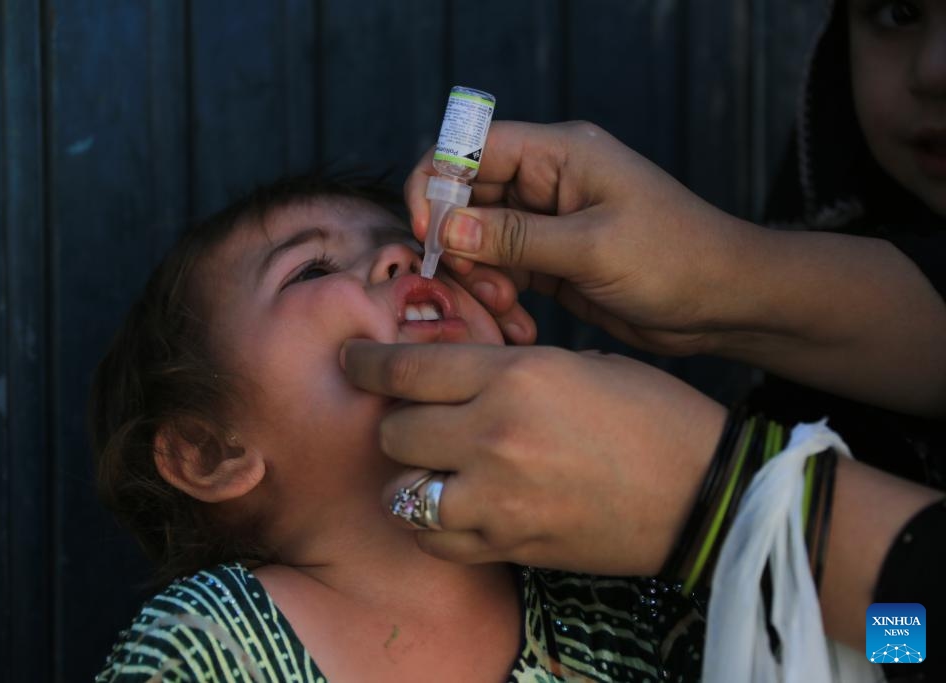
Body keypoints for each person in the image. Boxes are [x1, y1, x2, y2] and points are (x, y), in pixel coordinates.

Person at [341, 0, 945, 678]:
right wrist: (728, 283)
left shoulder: (643, 600)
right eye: (895, 10)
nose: (934, 67)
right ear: (206, 450)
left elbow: (903, 646)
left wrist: (718, 504)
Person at [91, 174, 711, 682]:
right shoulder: (207, 644)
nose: (404, 257)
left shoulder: (611, 587)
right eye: (311, 269)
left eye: (413, 246)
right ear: (210, 451)